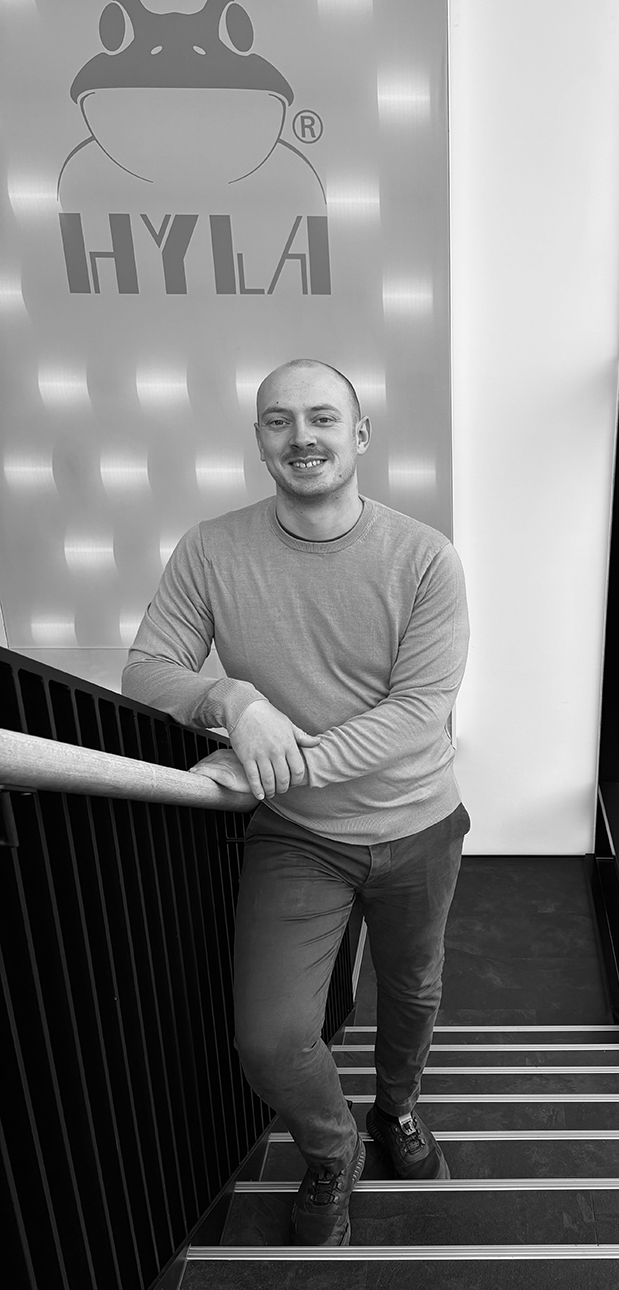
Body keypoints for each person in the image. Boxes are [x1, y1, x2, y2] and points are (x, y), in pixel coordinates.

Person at [121, 359, 470, 1247]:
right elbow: (147, 668)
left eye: (322, 417)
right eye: (279, 421)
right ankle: (334, 1146)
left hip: (418, 821)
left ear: (360, 436)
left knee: (413, 990)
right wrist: (233, 701)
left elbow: (418, 711)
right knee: (270, 1039)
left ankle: (397, 1106)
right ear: (259, 441)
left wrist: (283, 764)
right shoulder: (212, 548)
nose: (301, 436)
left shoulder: (425, 557)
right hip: (299, 835)